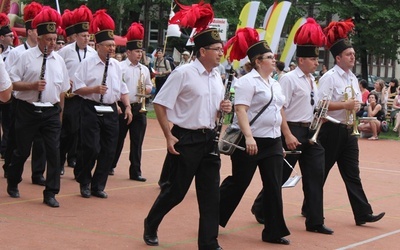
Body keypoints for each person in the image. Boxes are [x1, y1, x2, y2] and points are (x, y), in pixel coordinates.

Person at [143, 27, 231, 249]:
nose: (221, 53)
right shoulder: (183, 73)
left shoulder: (217, 76)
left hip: (209, 139)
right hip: (187, 138)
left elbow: (214, 110)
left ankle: (209, 243)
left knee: (211, 195)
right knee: (176, 191)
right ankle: (151, 223)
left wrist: (224, 108)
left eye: (221, 49)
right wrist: (168, 136)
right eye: (216, 49)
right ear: (202, 51)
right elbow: (161, 104)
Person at [251, 18, 333, 235]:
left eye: (317, 59)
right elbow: (280, 107)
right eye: (313, 59)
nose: (317, 62)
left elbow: (310, 102)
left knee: (316, 175)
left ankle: (315, 220)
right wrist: (286, 134)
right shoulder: (289, 79)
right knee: (282, 174)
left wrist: (318, 116)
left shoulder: (310, 79)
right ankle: (260, 206)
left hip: (309, 131)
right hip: (292, 130)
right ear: (302, 59)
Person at [218, 28, 290, 245]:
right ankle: (213, 216)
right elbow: (240, 110)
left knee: (273, 185)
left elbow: (278, 111)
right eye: (269, 57)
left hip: (273, 141)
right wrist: (249, 137)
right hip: (251, 141)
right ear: (258, 61)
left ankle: (274, 231)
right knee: (239, 182)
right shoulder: (247, 82)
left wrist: (284, 136)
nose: (274, 59)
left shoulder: (275, 83)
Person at [318, 19, 385, 225]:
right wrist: (344, 105)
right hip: (331, 129)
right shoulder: (329, 77)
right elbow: (320, 105)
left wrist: (355, 107)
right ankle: (304, 207)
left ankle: (363, 213)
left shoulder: (352, 79)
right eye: (349, 54)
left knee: (352, 174)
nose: (353, 56)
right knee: (319, 174)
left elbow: (354, 102)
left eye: (354, 54)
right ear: (338, 58)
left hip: (348, 131)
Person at [6, 6, 70, 207]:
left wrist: (60, 112)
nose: (53, 43)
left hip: (50, 110)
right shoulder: (24, 57)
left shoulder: (59, 61)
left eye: (55, 39)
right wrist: (32, 86)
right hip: (27, 108)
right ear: (39, 38)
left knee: (53, 152)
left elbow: (63, 89)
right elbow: (10, 84)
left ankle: (51, 192)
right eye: (49, 39)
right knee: (22, 151)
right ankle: (13, 181)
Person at [73, 9, 132, 199]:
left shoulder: (116, 65)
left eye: (114, 46)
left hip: (110, 110)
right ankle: (84, 180)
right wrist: (94, 90)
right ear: (98, 46)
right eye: (108, 46)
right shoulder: (87, 64)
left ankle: (98, 185)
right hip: (90, 108)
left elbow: (122, 89)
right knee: (91, 148)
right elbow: (77, 88)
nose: (112, 49)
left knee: (108, 149)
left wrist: (128, 106)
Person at [2, 1, 46, 184]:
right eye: (37, 31)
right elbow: (9, 77)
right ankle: (11, 168)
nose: (40, 34)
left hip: (41, 102)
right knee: (15, 137)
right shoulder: (17, 52)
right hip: (18, 101)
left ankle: (37, 173)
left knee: (41, 140)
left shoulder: (46, 52)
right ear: (29, 31)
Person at [57, 5, 96, 176]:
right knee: (68, 131)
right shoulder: (65, 51)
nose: (86, 38)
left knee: (83, 132)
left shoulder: (94, 53)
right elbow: (58, 69)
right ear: (76, 36)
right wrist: (67, 80)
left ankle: (77, 162)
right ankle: (59, 161)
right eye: (83, 36)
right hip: (71, 96)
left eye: (88, 36)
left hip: (87, 96)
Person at [110, 22, 152, 181]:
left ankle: (136, 171)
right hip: (123, 107)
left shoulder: (144, 69)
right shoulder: (120, 67)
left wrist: (147, 89)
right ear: (128, 52)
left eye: (141, 51)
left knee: (137, 142)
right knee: (118, 139)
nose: (139, 54)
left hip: (138, 107)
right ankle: (110, 165)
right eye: (136, 51)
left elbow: (149, 85)